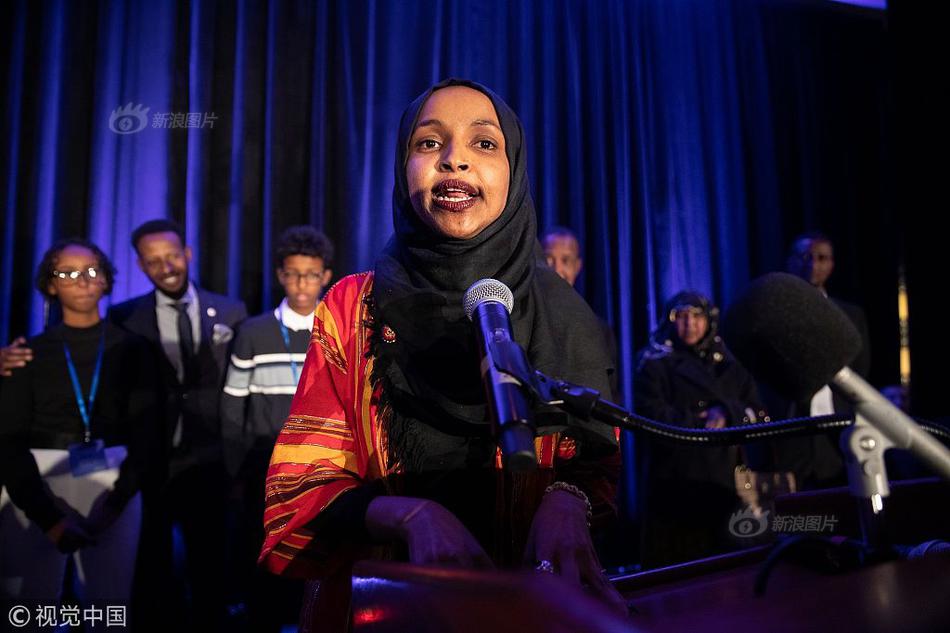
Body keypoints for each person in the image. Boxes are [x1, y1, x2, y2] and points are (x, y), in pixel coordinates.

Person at [259, 79, 626, 628]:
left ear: (515, 170)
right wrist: (409, 516)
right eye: (429, 143)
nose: (454, 160)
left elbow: (596, 461)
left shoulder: (565, 314)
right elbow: (301, 491)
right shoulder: (351, 309)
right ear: (402, 167)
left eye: (484, 143)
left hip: (531, 611)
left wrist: (567, 498)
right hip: (384, 612)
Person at [0, 238, 160, 608]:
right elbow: (8, 439)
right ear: (50, 285)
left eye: (91, 270)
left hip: (113, 476)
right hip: (36, 478)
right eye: (68, 273)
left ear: (105, 279)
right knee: (30, 604)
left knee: (108, 604)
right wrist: (49, 519)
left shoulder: (134, 348)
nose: (83, 280)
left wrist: (117, 503)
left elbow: (148, 432)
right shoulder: (27, 353)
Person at [108, 219, 247, 629]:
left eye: (171, 256)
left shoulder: (230, 311)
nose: (165, 267)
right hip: (150, 462)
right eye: (153, 261)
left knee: (210, 570)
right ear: (140, 265)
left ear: (187, 254)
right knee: (152, 570)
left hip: (211, 460)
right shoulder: (123, 317)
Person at [220, 225, 333, 632]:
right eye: (293, 274)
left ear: (325, 276)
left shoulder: (336, 330)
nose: (302, 284)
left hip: (324, 471)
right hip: (265, 472)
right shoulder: (254, 332)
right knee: (266, 561)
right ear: (281, 275)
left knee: (317, 559)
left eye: (311, 274)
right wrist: (235, 471)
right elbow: (233, 408)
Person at [633, 291, 768, 567]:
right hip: (674, 486)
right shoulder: (654, 362)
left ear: (709, 320)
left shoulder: (730, 362)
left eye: (697, 316)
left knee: (727, 571)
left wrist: (727, 413)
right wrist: (701, 423)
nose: (689, 324)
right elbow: (650, 417)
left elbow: (759, 413)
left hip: (724, 485)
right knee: (679, 571)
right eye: (681, 316)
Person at [760, 231, 872, 489]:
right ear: (790, 261)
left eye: (821, 258)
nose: (813, 264)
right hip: (791, 426)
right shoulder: (772, 314)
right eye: (805, 256)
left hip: (839, 428)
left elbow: (861, 369)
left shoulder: (851, 315)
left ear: (831, 264)